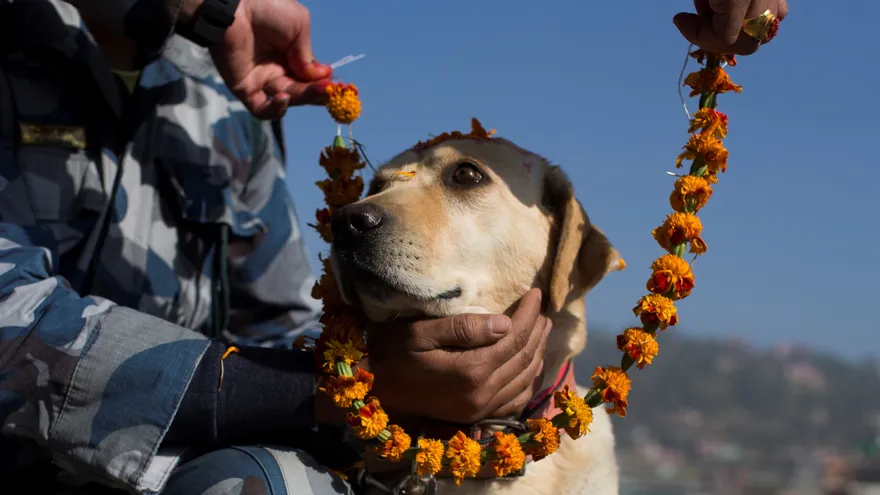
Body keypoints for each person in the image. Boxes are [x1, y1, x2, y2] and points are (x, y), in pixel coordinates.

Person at [0, 1, 787, 495]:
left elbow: (282, 327)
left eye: (466, 178)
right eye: (373, 189)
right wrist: (354, 388)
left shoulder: (220, 93)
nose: (362, 214)